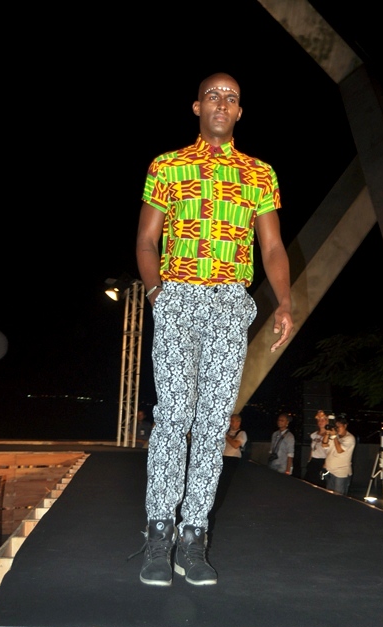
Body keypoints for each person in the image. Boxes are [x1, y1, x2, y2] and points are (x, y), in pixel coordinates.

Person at [133, 71, 293, 587]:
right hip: (178, 297)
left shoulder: (259, 173)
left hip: (229, 303)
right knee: (172, 416)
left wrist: (284, 301)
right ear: (197, 107)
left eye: (231, 98)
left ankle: (192, 535)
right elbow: (146, 240)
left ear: (240, 112)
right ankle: (159, 532)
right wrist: (157, 294)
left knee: (212, 423)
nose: (221, 103)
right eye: (212, 96)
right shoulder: (168, 165)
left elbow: (271, 246)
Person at [208, 414, 247, 543]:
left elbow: (236, 445)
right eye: (231, 421)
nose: (232, 423)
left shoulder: (241, 433)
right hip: (222, 458)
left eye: (234, 421)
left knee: (224, 482)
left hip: (232, 459)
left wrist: (226, 436)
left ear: (239, 422)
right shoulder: (227, 432)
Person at [321, 414, 356, 495]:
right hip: (329, 470)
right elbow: (324, 445)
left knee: (339, 496)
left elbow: (339, 450)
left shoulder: (350, 438)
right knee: (329, 495)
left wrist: (334, 436)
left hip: (341, 473)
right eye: (336, 427)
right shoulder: (335, 436)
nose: (337, 429)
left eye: (339, 426)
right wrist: (327, 433)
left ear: (345, 425)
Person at [304, 410, 330, 487]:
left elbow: (330, 451)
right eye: (319, 420)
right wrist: (309, 460)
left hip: (322, 461)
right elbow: (312, 449)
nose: (320, 422)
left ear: (327, 421)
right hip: (313, 461)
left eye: (322, 420)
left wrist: (325, 466)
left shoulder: (329, 435)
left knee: (319, 484)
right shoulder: (314, 434)